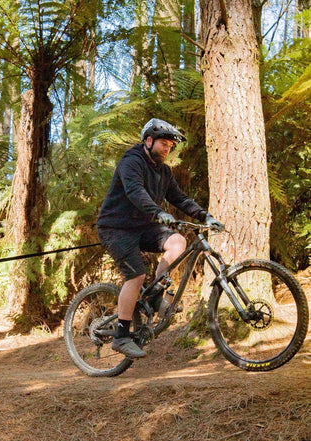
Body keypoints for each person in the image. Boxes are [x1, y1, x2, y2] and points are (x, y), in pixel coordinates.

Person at [96, 118, 224, 359]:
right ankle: (121, 336)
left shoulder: (164, 171)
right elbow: (135, 191)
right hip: (115, 228)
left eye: (170, 146)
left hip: (142, 226)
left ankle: (155, 296)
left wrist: (205, 216)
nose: (167, 149)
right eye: (163, 144)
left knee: (178, 242)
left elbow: (180, 198)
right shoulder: (131, 162)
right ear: (148, 140)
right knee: (136, 275)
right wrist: (158, 212)